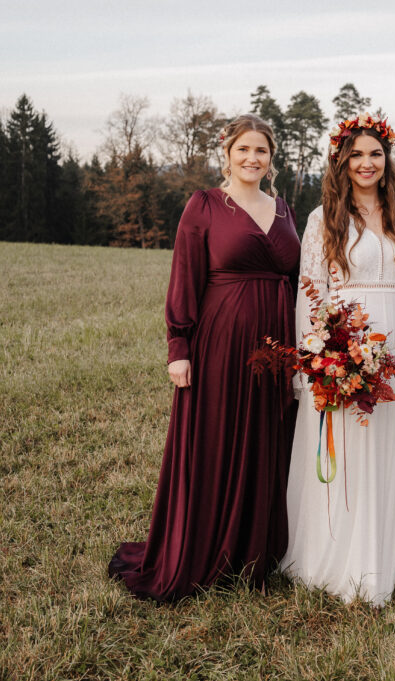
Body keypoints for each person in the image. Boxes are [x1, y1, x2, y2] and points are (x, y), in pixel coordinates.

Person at [109, 114, 300, 601]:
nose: (252, 158)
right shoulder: (205, 205)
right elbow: (185, 277)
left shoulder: (284, 210)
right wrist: (179, 347)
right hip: (221, 342)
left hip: (278, 347)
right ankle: (203, 551)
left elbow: (299, 282)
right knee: (216, 440)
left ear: (271, 157)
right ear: (227, 154)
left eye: (261, 150)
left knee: (267, 440)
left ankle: (254, 552)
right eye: (243, 150)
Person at [280, 114, 395, 607]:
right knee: (344, 454)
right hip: (343, 347)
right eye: (357, 155)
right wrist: (317, 361)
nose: (366, 163)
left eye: (375, 153)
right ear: (341, 160)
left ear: (388, 159)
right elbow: (311, 295)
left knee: (386, 455)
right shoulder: (322, 218)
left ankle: (375, 567)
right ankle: (325, 562)